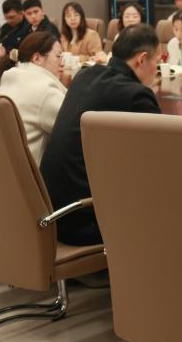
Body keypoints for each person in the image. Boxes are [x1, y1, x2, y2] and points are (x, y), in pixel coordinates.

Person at [40, 24, 162, 245]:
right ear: (142, 59)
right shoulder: (136, 96)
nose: (157, 69)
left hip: (51, 210)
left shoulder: (84, 76)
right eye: (157, 62)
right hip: (84, 219)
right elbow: (162, 158)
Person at [0, 32, 67, 165]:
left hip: (3, 166)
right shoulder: (45, 90)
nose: (62, 63)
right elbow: (75, 131)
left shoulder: (8, 78)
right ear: (37, 58)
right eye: (58, 56)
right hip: (31, 173)